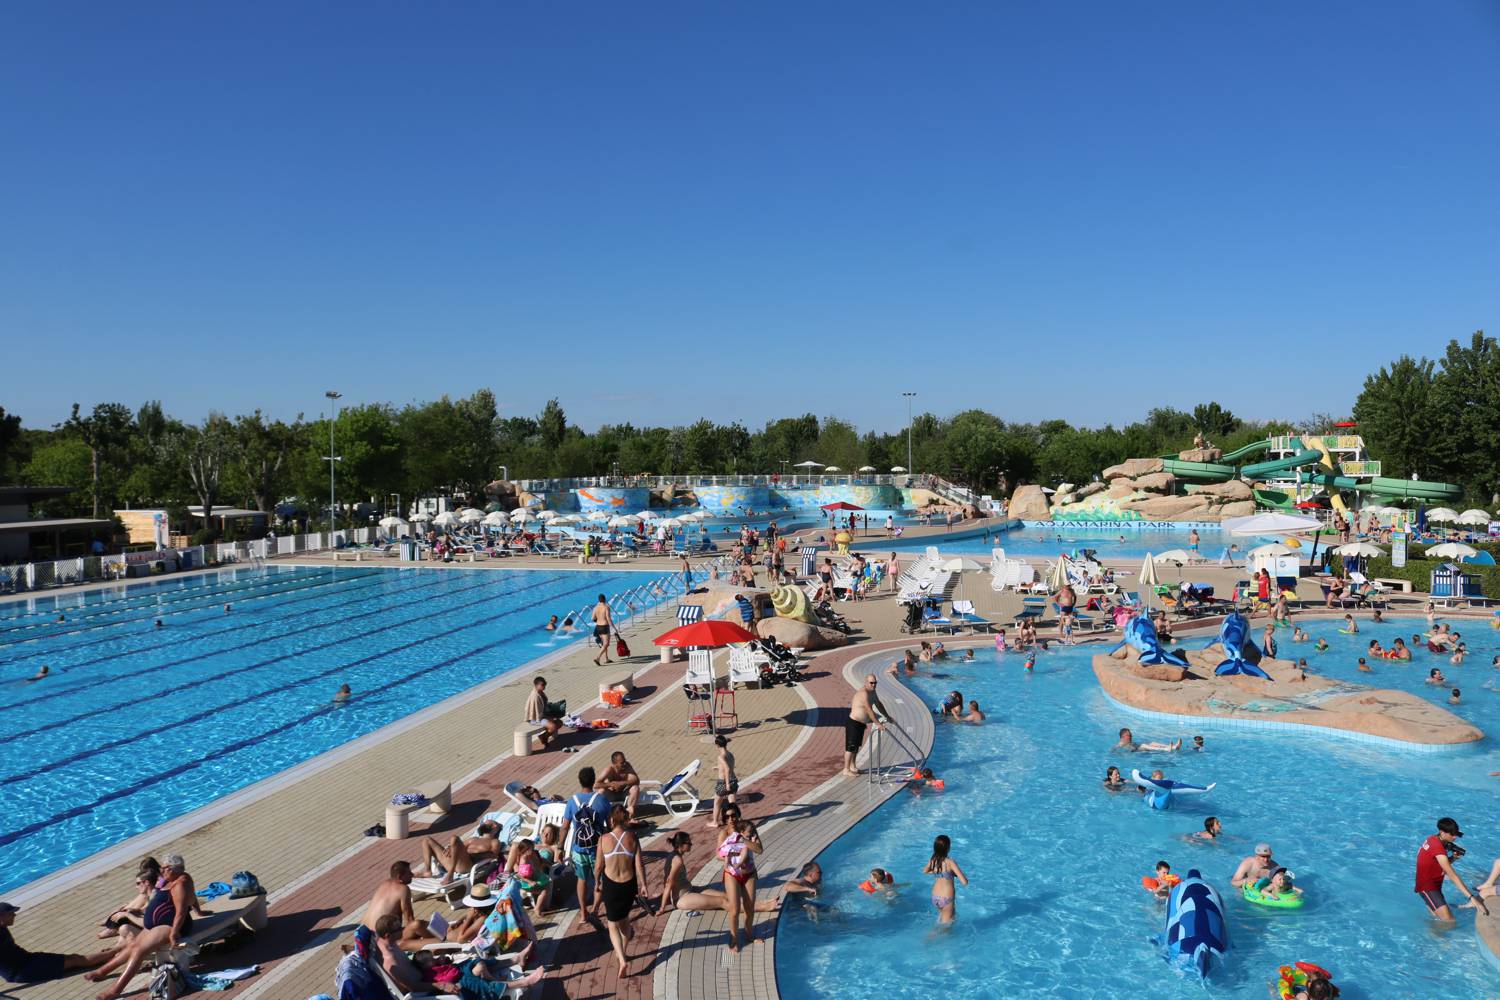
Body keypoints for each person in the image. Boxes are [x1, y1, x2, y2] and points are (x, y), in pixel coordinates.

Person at [84, 853, 197, 999]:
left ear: (171, 868)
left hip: (170, 926)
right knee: (132, 945)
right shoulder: (175, 879)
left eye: (163, 868)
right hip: (159, 924)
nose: (161, 871)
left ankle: (115, 990)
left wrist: (174, 933)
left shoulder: (180, 884)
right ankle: (103, 971)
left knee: (138, 951)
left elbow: (181, 912)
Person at [657, 832, 779, 915]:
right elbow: (669, 883)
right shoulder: (677, 860)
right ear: (681, 845)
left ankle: (763, 902)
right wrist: (662, 907)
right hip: (682, 899)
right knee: (723, 903)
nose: (691, 845)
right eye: (689, 843)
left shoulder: (674, 856)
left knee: (728, 897)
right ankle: (764, 907)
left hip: (691, 889)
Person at [0, 901, 115, 984]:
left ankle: (108, 955)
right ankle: (121, 949)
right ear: (2, 916)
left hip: (29, 959)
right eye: (11, 913)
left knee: (75, 959)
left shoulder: (3, 926)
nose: (14, 915)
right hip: (23, 971)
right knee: (78, 960)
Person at [595, 806, 648, 977]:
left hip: (611, 885)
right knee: (624, 920)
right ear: (625, 819)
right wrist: (644, 885)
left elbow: (598, 866)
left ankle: (622, 958)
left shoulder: (603, 839)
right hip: (628, 884)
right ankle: (623, 953)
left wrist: (596, 882)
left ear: (611, 820)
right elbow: (640, 864)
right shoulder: (633, 837)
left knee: (612, 924)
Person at [561, 767, 612, 922]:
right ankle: (595, 910)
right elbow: (610, 826)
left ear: (579, 780)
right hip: (599, 848)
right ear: (593, 780)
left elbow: (564, 827)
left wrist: (559, 847)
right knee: (600, 880)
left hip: (579, 848)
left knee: (581, 880)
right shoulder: (602, 800)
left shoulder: (572, 801)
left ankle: (583, 913)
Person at [1415, 817, 1488, 920]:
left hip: (1433, 885)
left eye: (1456, 834)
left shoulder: (1433, 839)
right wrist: (1472, 898)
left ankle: (1433, 934)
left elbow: (1439, 864)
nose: (1455, 837)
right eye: (1452, 834)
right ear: (1442, 832)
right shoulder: (1437, 848)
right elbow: (1452, 876)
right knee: (1449, 921)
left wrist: (1453, 858)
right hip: (1427, 887)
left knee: (1437, 919)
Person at [718, 814, 764, 952]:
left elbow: (759, 849)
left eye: (734, 816)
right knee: (735, 909)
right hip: (732, 874)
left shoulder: (750, 833)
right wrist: (731, 855)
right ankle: (733, 939)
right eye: (728, 817)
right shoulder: (726, 834)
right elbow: (719, 853)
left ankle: (749, 935)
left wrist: (744, 840)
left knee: (749, 907)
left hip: (749, 874)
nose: (731, 819)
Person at [98, 859, 161, 939]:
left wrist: (130, 913)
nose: (136, 887)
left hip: (152, 927)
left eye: (138, 883)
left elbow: (148, 918)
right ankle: (116, 924)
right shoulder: (156, 885)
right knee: (139, 899)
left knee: (142, 897)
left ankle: (115, 926)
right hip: (148, 916)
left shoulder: (158, 888)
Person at [417, 820, 502, 880]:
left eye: (487, 821)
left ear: (494, 826)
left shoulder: (494, 841)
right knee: (427, 840)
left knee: (454, 838)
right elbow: (457, 846)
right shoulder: (473, 839)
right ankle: (427, 871)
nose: (484, 822)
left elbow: (493, 855)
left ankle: (450, 875)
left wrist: (472, 855)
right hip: (452, 861)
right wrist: (450, 848)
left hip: (466, 865)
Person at [843, 674, 888, 778]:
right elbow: (869, 710)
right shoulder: (864, 694)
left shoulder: (873, 692)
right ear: (866, 682)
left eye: (875, 683)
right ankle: (846, 769)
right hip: (853, 723)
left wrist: (887, 716)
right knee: (850, 748)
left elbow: (878, 704)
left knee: (856, 747)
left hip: (861, 724)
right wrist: (877, 723)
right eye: (871, 683)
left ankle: (853, 766)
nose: (873, 685)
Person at [924, 834, 968, 926]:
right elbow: (965, 882)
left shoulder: (933, 860)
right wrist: (952, 874)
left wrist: (939, 873)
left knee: (951, 918)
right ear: (948, 848)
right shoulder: (950, 862)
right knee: (945, 928)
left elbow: (925, 871)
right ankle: (927, 939)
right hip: (946, 899)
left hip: (935, 897)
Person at [595, 751, 642, 825]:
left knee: (635, 788)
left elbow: (636, 780)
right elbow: (596, 785)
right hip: (612, 794)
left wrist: (621, 783)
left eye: (625, 761)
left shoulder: (627, 766)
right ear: (614, 764)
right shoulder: (609, 770)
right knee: (600, 791)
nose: (624, 764)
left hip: (624, 793)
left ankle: (629, 815)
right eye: (622, 763)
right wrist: (611, 784)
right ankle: (602, 816)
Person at [524, 676, 563, 747]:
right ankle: (544, 738)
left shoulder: (540, 692)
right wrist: (550, 718)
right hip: (535, 719)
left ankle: (543, 736)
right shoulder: (535, 696)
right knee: (553, 726)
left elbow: (544, 706)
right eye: (542, 685)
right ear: (536, 685)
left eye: (544, 684)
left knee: (559, 723)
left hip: (543, 716)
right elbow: (537, 714)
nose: (544, 686)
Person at [712, 735, 738, 828]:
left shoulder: (721, 757)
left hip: (723, 782)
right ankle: (736, 821)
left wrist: (726, 784)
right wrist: (718, 767)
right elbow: (730, 767)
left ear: (717, 745)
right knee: (733, 805)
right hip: (733, 780)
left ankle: (715, 822)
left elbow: (726, 768)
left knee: (717, 802)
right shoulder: (730, 754)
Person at [590, 594, 614, 666]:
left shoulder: (595, 608)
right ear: (605, 599)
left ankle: (606, 659)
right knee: (606, 644)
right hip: (605, 626)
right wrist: (614, 627)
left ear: (599, 600)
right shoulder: (606, 607)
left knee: (604, 644)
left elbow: (593, 618)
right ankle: (597, 658)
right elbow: (608, 618)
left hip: (598, 627)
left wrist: (598, 619)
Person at [1115, 727, 1180, 752]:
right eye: (1128, 735)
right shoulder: (1121, 744)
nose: (1131, 736)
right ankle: (1165, 749)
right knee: (1143, 745)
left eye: (1131, 734)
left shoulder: (1128, 741)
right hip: (1136, 752)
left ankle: (1174, 747)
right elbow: (1114, 748)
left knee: (1152, 743)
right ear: (1122, 737)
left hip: (1137, 748)